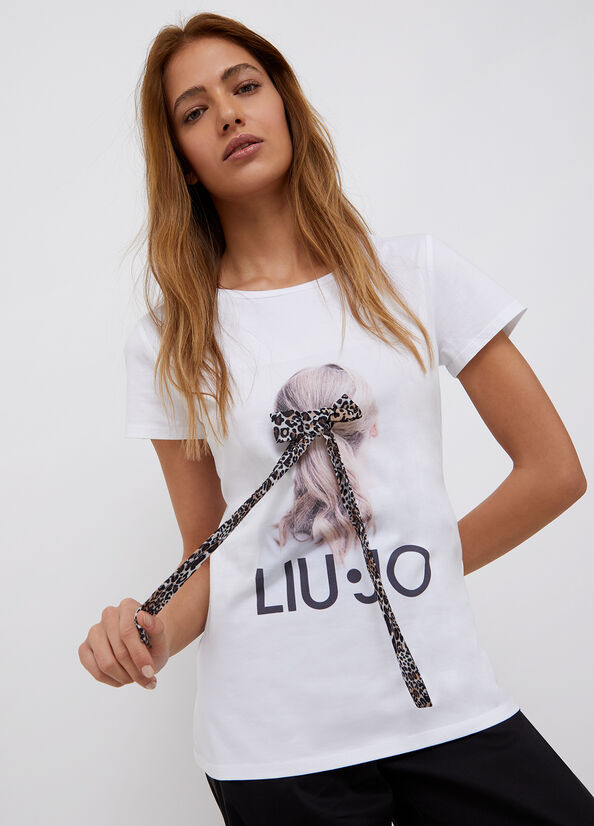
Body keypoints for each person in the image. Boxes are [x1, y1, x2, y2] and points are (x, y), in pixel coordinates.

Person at [78, 11, 594, 825]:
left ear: (285, 103)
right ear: (182, 160)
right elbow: (210, 550)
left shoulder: (415, 276)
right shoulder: (173, 338)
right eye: (195, 111)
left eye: (245, 87)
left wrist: (416, 565)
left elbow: (554, 471)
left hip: (446, 707)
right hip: (274, 743)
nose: (228, 115)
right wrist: (152, 635)